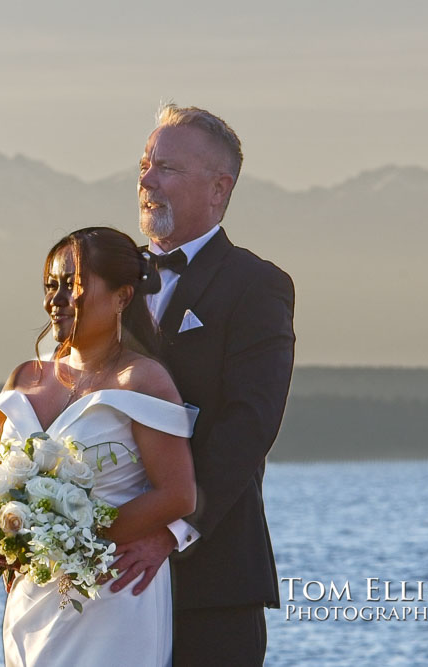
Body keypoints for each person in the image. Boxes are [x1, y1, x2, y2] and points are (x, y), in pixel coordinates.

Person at [107, 103, 296, 665]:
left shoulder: (256, 285)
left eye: (165, 168)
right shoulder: (107, 279)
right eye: (145, 164)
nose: (145, 180)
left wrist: (171, 532)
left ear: (219, 188)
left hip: (213, 582)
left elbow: (249, 425)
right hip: (108, 584)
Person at [0, 227, 199, 666]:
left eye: (72, 285)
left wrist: (77, 538)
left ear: (122, 297)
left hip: (113, 593)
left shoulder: (143, 380)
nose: (56, 299)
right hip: (34, 596)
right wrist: (11, 531)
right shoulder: (24, 377)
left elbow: (178, 494)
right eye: (50, 286)